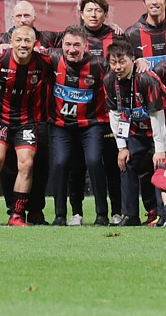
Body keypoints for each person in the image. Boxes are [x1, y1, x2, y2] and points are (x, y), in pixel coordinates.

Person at [0, 25, 50, 225]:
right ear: (10, 42)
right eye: (18, 40)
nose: (23, 44)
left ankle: (16, 215)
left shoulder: (44, 61)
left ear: (35, 43)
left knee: (26, 164)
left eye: (27, 40)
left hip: (27, 120)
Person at [46, 25, 112, 227]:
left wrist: (140, 61)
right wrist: (4, 46)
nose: (71, 50)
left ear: (86, 46)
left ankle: (102, 215)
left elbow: (123, 68)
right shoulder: (51, 58)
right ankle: (60, 215)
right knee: (60, 163)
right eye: (67, 44)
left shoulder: (100, 65)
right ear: (61, 45)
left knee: (94, 161)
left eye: (76, 45)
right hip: (61, 126)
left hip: (91, 125)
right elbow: (24, 50)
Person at [105, 41, 166, 226]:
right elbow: (115, 115)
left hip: (165, 125)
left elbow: (158, 116)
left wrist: (160, 149)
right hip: (135, 128)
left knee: (160, 166)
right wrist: (122, 147)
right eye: (113, 63)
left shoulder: (146, 79)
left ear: (133, 59)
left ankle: (163, 214)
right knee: (126, 162)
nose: (118, 67)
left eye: (122, 62)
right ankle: (130, 215)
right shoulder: (109, 81)